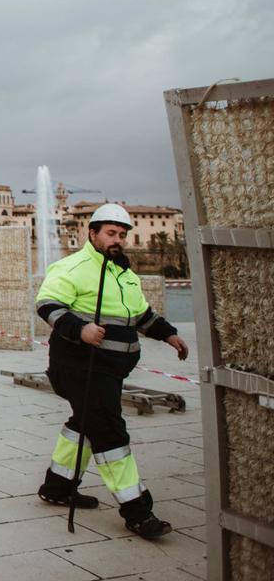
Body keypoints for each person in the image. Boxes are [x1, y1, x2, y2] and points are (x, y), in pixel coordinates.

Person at [35, 203, 189, 539]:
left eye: (121, 234)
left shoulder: (125, 275)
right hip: (79, 368)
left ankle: (57, 486)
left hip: (110, 370)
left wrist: (170, 335)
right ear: (92, 233)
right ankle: (137, 511)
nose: (117, 239)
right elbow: (47, 305)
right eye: (110, 233)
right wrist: (81, 330)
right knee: (110, 433)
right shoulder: (71, 267)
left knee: (85, 423)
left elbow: (142, 316)